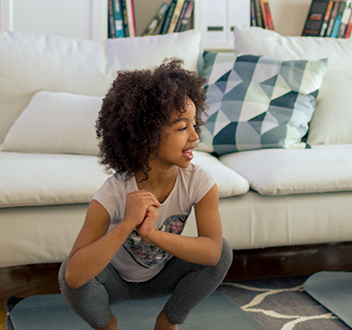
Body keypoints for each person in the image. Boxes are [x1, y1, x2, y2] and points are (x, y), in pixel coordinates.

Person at [59, 58, 232, 330]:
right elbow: (75, 274)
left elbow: (212, 254)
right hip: (114, 283)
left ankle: (168, 321)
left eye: (194, 124)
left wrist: (152, 234)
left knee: (223, 252)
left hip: (164, 276)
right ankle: (107, 325)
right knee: (68, 274)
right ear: (146, 135)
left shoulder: (200, 182)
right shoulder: (113, 193)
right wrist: (127, 223)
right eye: (182, 128)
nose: (195, 136)